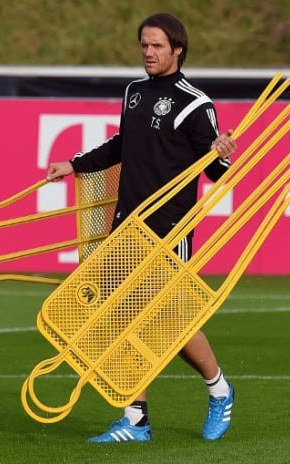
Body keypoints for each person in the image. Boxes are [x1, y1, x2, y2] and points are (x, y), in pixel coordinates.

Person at [46, 12, 237, 443]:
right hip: (126, 226)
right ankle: (136, 418)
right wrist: (73, 166)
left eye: (157, 47)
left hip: (169, 229)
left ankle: (220, 391)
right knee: (122, 320)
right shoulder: (134, 92)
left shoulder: (195, 104)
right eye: (144, 46)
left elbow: (217, 171)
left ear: (177, 50)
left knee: (171, 323)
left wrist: (223, 154)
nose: (148, 53)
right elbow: (121, 145)